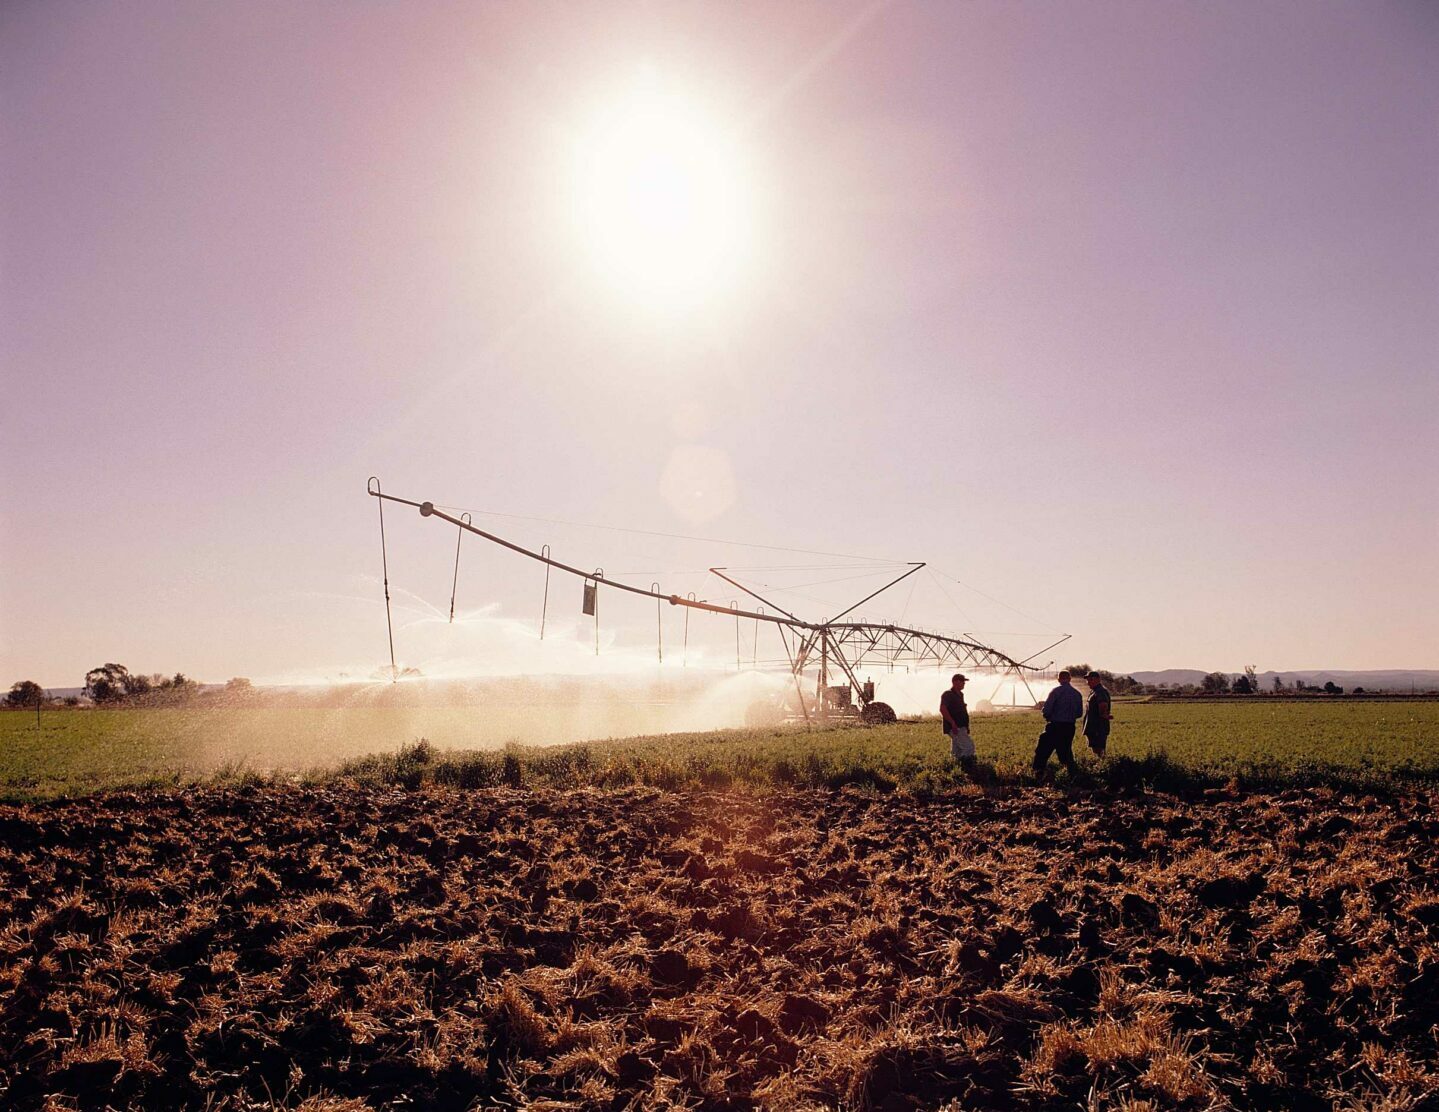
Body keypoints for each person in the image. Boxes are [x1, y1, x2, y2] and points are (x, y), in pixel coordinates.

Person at [1033, 670, 1083, 779]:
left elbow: (1046, 710)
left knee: (1043, 750)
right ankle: (1073, 776)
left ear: (1059, 679)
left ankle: (1038, 774)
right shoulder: (1077, 694)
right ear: (1070, 679)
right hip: (1069, 727)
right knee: (1065, 751)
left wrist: (1048, 716)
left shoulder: (1055, 691)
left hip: (1055, 726)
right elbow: (1079, 713)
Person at [940, 673, 976, 773]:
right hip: (955, 727)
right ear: (955, 682)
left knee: (957, 751)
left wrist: (966, 727)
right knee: (969, 748)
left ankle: (955, 769)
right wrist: (953, 723)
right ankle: (967, 769)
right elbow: (943, 709)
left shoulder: (960, 695)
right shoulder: (948, 694)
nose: (964, 683)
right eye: (962, 681)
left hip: (961, 726)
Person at [1084, 671, 1113, 758]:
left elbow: (1103, 705)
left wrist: (1104, 714)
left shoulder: (1100, 692)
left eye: (1091, 679)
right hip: (1094, 727)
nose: (1088, 682)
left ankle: (1102, 767)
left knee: (1099, 751)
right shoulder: (1094, 691)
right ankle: (1100, 766)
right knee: (1096, 750)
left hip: (1098, 727)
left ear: (1098, 680)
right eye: (1088, 680)